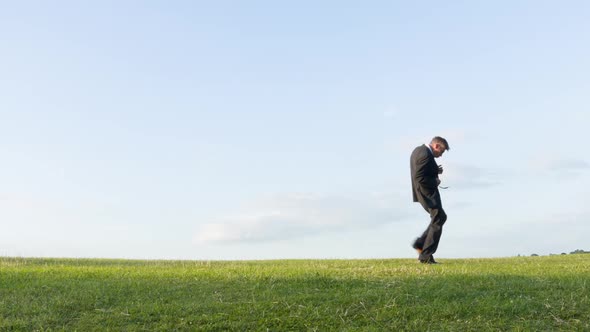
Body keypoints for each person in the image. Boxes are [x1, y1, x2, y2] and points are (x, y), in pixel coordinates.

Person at [410, 136, 450, 264]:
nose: (441, 155)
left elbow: (422, 170)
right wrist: (435, 181)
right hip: (427, 193)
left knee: (439, 217)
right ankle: (425, 255)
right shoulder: (425, 155)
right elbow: (419, 177)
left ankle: (421, 244)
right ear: (436, 146)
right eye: (441, 151)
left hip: (424, 192)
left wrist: (435, 170)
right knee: (439, 217)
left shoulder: (420, 150)